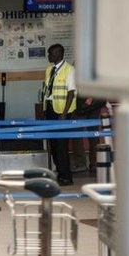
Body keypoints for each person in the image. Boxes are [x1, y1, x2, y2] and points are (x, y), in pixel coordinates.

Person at [40, 43, 76, 185]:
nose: (49, 56)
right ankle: (59, 173)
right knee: (53, 144)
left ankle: (66, 177)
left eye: (51, 53)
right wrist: (44, 109)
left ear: (59, 54)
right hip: (50, 109)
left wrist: (64, 113)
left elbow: (71, 92)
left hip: (62, 111)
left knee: (61, 145)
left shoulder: (69, 69)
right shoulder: (49, 69)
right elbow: (47, 90)